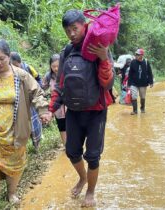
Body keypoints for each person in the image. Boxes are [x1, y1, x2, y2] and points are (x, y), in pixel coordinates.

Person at [0, 40, 52, 203]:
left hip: (16, 127)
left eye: (2, 58)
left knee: (15, 162)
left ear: (9, 56)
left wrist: (43, 111)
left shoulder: (21, 76)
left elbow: (37, 93)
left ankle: (11, 193)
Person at [48, 10, 114, 207]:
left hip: (96, 112)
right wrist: (51, 109)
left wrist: (103, 58)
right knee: (72, 152)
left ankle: (91, 192)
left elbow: (108, 84)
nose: (72, 34)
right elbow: (60, 84)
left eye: (74, 28)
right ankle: (83, 178)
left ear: (84, 25)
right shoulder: (66, 52)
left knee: (93, 155)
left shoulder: (99, 46)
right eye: (68, 30)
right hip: (74, 111)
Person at [10, 52, 43, 149]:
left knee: (34, 122)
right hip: (18, 103)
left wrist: (37, 92)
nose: (16, 68)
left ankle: (37, 144)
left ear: (20, 62)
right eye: (14, 66)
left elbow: (38, 79)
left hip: (31, 100)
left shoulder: (28, 68)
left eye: (17, 65)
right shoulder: (7, 72)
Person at [42, 54, 66, 147]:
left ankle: (74, 146)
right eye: (53, 66)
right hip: (57, 106)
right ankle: (66, 146)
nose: (56, 68)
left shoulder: (67, 73)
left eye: (58, 66)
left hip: (68, 105)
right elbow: (42, 88)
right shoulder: (48, 76)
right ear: (50, 66)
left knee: (72, 126)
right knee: (62, 126)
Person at [127, 48, 153, 114]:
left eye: (138, 55)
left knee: (142, 96)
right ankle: (135, 110)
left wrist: (151, 82)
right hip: (134, 83)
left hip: (143, 83)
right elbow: (130, 73)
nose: (136, 56)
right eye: (136, 54)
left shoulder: (146, 62)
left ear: (142, 55)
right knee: (134, 96)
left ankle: (142, 108)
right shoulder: (133, 62)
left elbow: (150, 73)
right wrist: (129, 83)